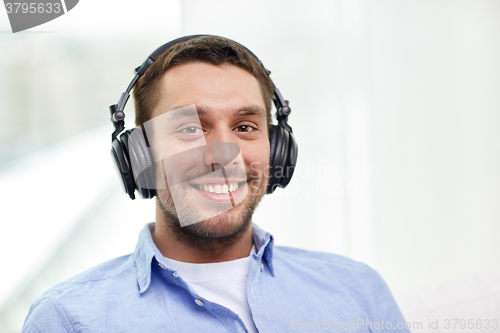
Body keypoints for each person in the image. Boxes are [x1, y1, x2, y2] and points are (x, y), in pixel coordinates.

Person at [23, 35, 409, 332]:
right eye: (190, 128)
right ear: (139, 156)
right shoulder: (68, 319)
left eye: (245, 127)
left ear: (276, 150)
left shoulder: (359, 292)